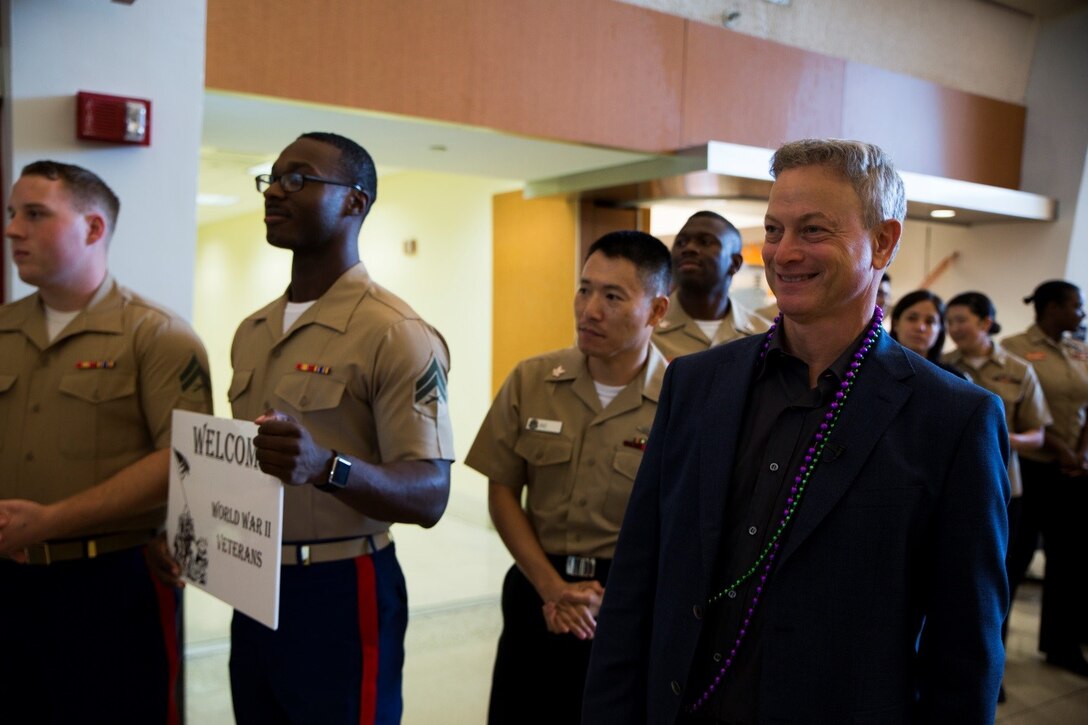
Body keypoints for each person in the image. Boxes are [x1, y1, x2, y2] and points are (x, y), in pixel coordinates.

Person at [582, 139, 1010, 724]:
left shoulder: (954, 420)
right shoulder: (696, 384)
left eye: (813, 230)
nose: (783, 253)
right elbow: (638, 580)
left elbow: (964, 652)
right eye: (774, 229)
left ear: (883, 241)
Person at [154, 132, 455, 723]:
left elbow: (431, 494)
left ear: (354, 202)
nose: (276, 192)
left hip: (343, 589)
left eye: (300, 179)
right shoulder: (253, 330)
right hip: (255, 582)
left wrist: (327, 467)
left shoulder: (397, 333)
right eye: (272, 178)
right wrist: (190, 527)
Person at [0, 161, 213, 723]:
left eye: (35, 214)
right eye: (12, 213)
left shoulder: (158, 335)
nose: (13, 230)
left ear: (93, 229)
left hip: (110, 588)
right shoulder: (2, 329)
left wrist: (47, 522)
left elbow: (183, 461)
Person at [465, 230, 671, 724]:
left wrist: (614, 598)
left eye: (612, 296)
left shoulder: (682, 399)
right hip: (536, 589)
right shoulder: (533, 379)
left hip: (628, 604)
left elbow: (684, 523)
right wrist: (553, 589)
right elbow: (503, 491)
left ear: (657, 311)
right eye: (584, 289)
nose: (589, 309)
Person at [942, 291, 1051, 698]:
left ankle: (992, 667)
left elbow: (1038, 433)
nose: (954, 329)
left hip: (1004, 488)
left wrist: (991, 434)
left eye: (962, 320)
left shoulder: (1018, 370)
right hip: (951, 487)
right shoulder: (940, 366)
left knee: (992, 582)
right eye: (949, 320)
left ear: (986, 322)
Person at [1001, 280, 1088, 677]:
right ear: (1051, 307)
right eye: (1075, 305)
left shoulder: (1077, 349)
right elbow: (1018, 410)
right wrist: (1060, 448)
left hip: (1074, 470)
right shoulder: (1015, 349)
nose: (1081, 313)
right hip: (1033, 467)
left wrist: (1081, 451)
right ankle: (994, 652)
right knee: (1013, 561)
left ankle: (1061, 644)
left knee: (1069, 561)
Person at [652, 211, 768, 360]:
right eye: (681, 242)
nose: (689, 248)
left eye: (705, 242)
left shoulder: (764, 336)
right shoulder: (645, 329)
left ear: (735, 263)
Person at [888, 289, 965, 378]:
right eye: (912, 318)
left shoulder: (953, 379)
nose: (920, 327)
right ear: (896, 324)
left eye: (930, 322)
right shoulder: (874, 368)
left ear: (940, 330)